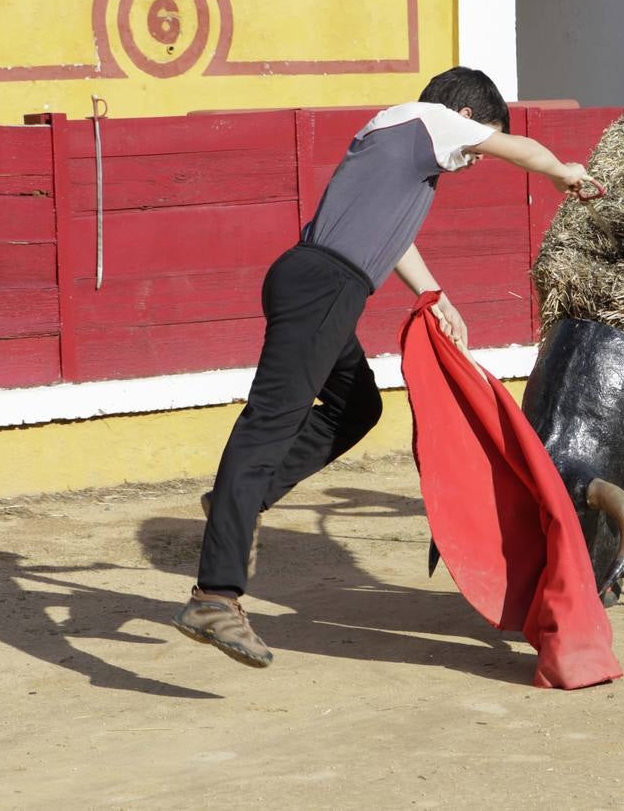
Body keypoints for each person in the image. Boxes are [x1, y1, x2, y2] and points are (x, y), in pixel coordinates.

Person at [171, 66, 600, 667]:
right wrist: (565, 172)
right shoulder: (431, 120)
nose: (474, 159)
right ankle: (215, 596)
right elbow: (521, 149)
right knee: (267, 426)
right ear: (467, 118)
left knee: (356, 406)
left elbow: (390, 238)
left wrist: (435, 296)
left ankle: (238, 502)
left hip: (319, 284)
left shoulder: (399, 148)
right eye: (478, 142)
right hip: (323, 287)